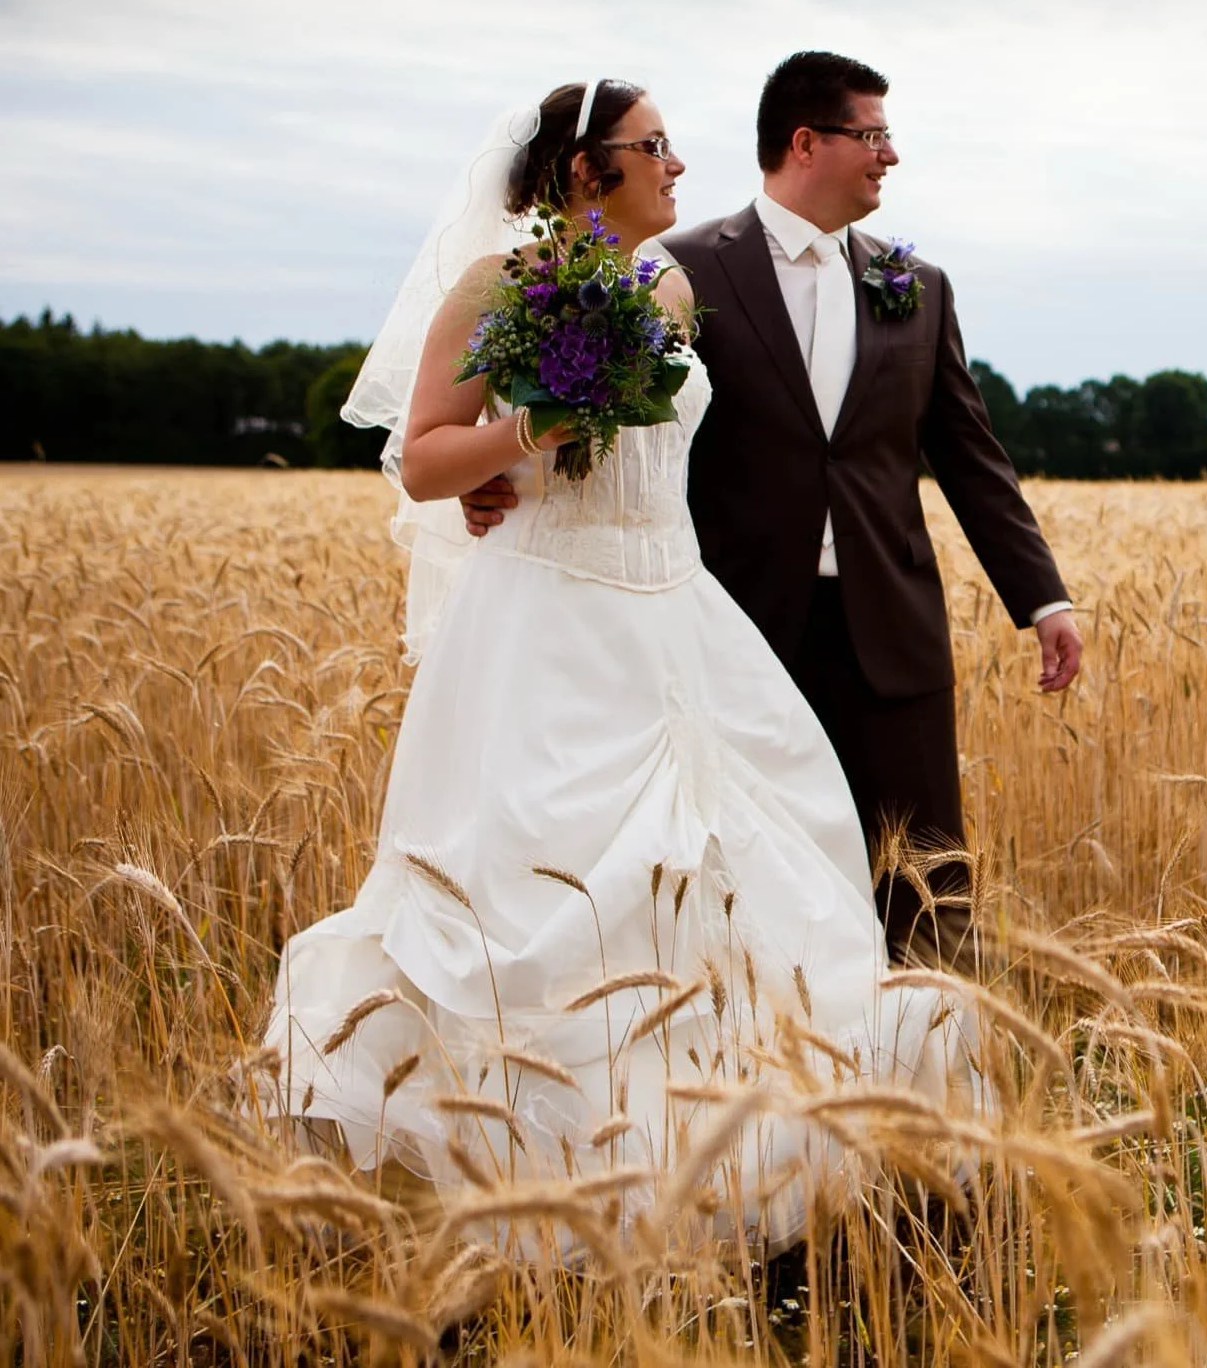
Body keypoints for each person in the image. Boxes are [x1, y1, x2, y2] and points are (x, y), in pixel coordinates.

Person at [259, 78, 974, 1256]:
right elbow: (423, 459)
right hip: (550, 622)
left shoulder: (671, 288)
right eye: (654, 146)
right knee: (552, 895)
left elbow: (725, 443)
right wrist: (527, 433)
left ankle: (714, 1157)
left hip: (678, 615)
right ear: (588, 170)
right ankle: (536, 1172)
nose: (678, 164)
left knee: (744, 871)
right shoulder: (494, 288)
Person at [462, 52, 1081, 969]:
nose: (890, 155)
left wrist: (1043, 599)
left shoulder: (918, 285)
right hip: (735, 629)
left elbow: (970, 456)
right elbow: (601, 422)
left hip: (892, 630)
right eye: (872, 134)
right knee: (756, 888)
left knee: (925, 885)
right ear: (806, 143)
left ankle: (939, 1048)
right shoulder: (672, 270)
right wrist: (499, 474)